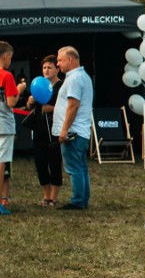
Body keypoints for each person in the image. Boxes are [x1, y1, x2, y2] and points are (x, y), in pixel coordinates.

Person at [53, 46, 94, 210]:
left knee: (74, 167)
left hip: (73, 131)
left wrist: (64, 130)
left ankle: (78, 200)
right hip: (81, 130)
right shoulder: (83, 76)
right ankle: (82, 199)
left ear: (70, 59)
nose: (58, 64)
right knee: (81, 166)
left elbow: (73, 105)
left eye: (60, 60)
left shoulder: (74, 79)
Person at [26, 55, 63, 206]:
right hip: (38, 129)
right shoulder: (39, 85)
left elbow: (69, 107)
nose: (46, 70)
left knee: (54, 162)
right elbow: (31, 108)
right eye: (44, 68)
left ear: (57, 69)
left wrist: (52, 108)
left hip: (54, 129)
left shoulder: (61, 86)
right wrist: (30, 102)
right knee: (40, 163)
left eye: (50, 67)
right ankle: (46, 196)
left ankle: (53, 197)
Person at [0, 41, 26, 214]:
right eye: (10, 57)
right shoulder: (6, 75)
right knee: (1, 162)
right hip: (3, 124)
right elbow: (11, 102)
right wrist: (20, 89)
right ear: (5, 56)